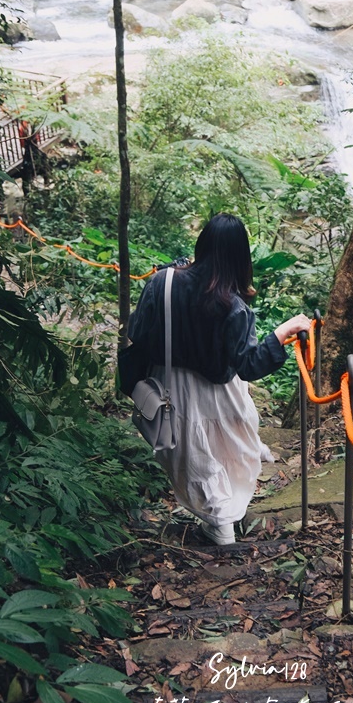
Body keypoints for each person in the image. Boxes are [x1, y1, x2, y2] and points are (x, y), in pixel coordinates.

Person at [126, 214, 312, 545]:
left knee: (196, 455)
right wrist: (281, 333)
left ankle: (218, 519)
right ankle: (223, 524)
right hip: (219, 392)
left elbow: (137, 332)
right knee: (224, 449)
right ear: (241, 258)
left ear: (202, 245)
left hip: (170, 384)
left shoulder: (162, 282)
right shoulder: (233, 306)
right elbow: (249, 366)